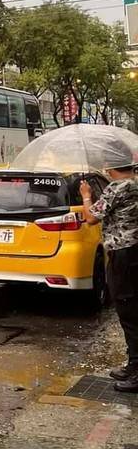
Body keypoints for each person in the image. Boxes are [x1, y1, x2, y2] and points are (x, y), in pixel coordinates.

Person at [80, 153, 138, 391]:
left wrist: (86, 196)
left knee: (128, 311)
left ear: (111, 166)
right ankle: (133, 365)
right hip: (133, 251)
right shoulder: (135, 183)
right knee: (131, 309)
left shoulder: (117, 188)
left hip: (123, 255)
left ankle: (137, 373)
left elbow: (91, 218)